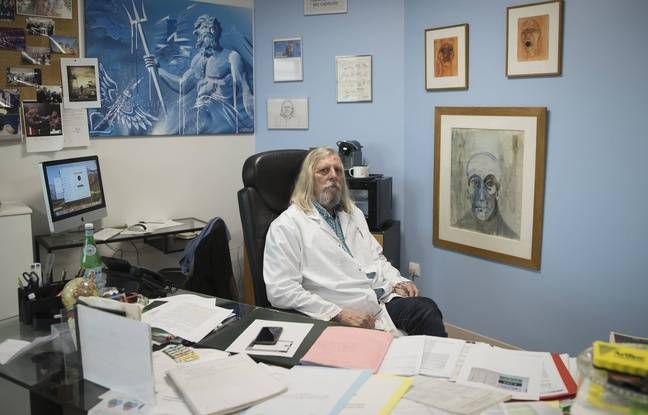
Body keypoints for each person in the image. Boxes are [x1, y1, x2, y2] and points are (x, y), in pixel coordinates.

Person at [263, 147, 446, 337]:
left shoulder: (353, 214)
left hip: (378, 300)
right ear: (308, 180)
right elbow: (281, 291)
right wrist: (337, 313)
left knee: (426, 310)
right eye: (324, 171)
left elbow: (376, 259)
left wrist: (397, 280)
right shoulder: (287, 225)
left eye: (338, 170)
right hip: (339, 311)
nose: (333, 176)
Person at [144, 14, 253, 134]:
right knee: (178, 121)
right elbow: (182, 85)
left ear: (216, 31)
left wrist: (251, 121)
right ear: (198, 33)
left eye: (211, 28)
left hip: (222, 114)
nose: (209, 30)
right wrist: (158, 70)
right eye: (204, 28)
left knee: (188, 119)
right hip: (200, 115)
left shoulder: (231, 57)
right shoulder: (197, 61)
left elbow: (245, 89)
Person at [454, 152, 518, 239]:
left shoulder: (510, 236)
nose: (481, 197)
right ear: (468, 190)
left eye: (489, 184)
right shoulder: (457, 228)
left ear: (498, 191)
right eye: (475, 183)